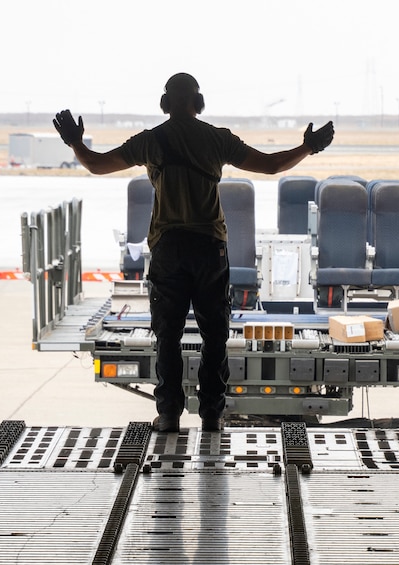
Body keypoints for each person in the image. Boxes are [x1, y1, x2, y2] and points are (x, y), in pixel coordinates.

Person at [53, 73, 334, 433]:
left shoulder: (151, 141)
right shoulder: (216, 140)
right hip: (209, 250)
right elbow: (271, 165)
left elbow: (96, 164)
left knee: (167, 335)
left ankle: (169, 415)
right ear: (198, 102)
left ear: (165, 103)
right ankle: (212, 416)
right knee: (214, 334)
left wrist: (76, 143)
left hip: (169, 249)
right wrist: (308, 147)